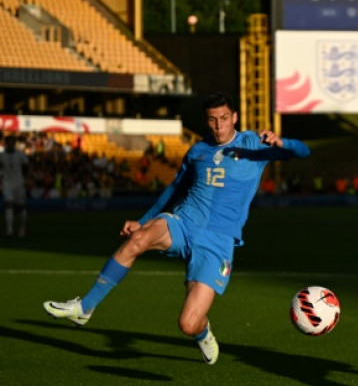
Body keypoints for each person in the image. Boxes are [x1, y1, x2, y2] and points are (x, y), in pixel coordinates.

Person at [42, 93, 310, 364]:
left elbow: (303, 151)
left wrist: (283, 141)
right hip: (184, 222)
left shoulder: (255, 143)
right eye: (213, 120)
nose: (219, 126)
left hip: (218, 241)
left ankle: (203, 333)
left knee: (188, 324)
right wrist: (143, 221)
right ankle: (84, 308)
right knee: (137, 239)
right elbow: (174, 190)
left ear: (235, 118)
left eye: (224, 119)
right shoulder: (198, 151)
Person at [0, 135, 30, 237]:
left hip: (19, 183)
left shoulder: (20, 155)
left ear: (14, 144)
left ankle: (22, 227)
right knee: (8, 204)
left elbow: (26, 166)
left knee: (21, 206)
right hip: (7, 183)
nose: (10, 145)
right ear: (5, 143)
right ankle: (9, 229)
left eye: (12, 143)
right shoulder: (2, 155)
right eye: (8, 143)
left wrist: (25, 179)